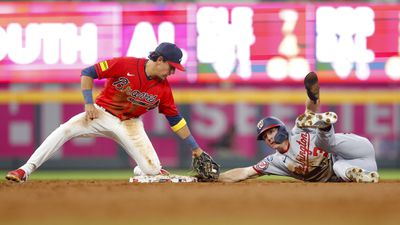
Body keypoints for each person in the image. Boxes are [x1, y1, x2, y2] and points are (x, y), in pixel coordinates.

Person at [6, 42, 219, 183]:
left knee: (153, 171)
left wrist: (196, 149)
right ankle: (25, 170)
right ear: (160, 60)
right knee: (65, 130)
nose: (173, 72)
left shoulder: (164, 89)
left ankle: (143, 170)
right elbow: (88, 72)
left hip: (131, 124)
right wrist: (89, 103)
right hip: (100, 114)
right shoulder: (125, 64)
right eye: (171, 67)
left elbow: (175, 120)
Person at [218, 72, 379, 183]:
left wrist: (312, 96)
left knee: (323, 140)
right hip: (359, 167)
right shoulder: (275, 161)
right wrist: (216, 178)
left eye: (271, 131)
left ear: (281, 129)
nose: (268, 138)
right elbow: (246, 172)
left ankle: (323, 124)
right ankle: (361, 176)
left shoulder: (297, 132)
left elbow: (310, 109)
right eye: (265, 137)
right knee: (338, 167)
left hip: (355, 148)